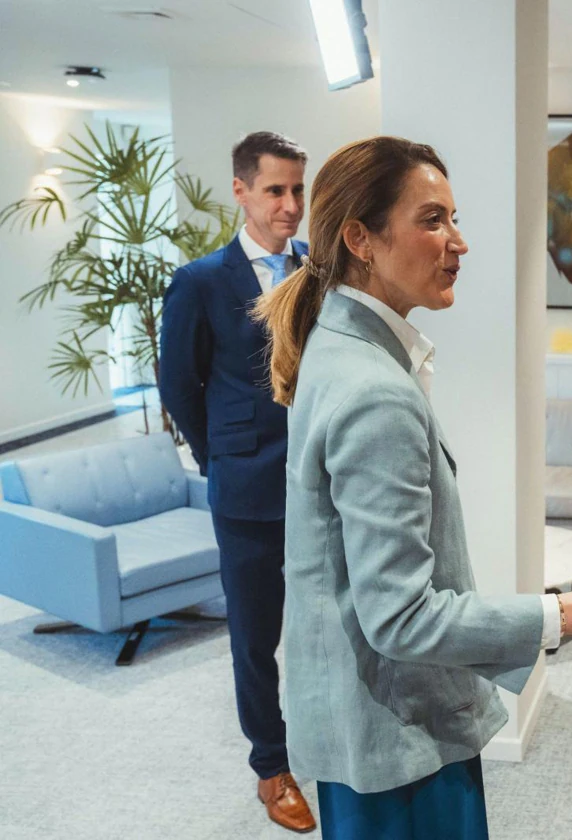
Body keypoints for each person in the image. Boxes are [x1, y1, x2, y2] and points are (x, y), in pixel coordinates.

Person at [252, 136, 572, 840]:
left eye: (454, 218)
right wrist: (566, 614)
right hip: (399, 738)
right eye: (433, 219)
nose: (460, 242)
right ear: (361, 239)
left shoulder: (337, 347)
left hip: (370, 719)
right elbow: (402, 617)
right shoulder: (373, 391)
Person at [159, 131, 316, 832]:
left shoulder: (317, 268)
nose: (290, 206)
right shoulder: (200, 281)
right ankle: (271, 766)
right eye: (276, 190)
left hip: (318, 483)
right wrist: (215, 458)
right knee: (255, 636)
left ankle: (324, 733)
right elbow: (179, 384)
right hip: (245, 485)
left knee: (323, 623)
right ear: (242, 191)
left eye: (297, 191)